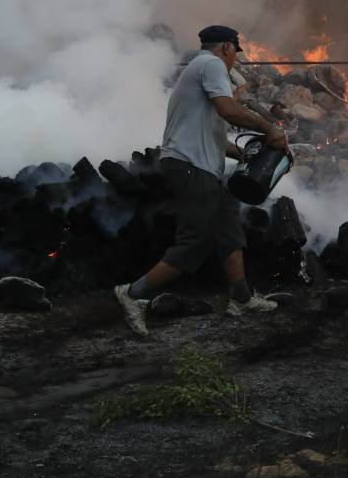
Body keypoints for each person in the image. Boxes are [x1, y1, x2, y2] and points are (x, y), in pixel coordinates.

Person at [114, 25, 289, 336]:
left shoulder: (200, 73)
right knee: (195, 240)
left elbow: (216, 136)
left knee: (228, 226)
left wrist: (244, 154)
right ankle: (132, 294)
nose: (235, 59)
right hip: (190, 167)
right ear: (226, 48)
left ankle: (241, 297)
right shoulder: (210, 64)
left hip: (202, 166)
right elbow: (229, 110)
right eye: (236, 52)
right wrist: (269, 129)